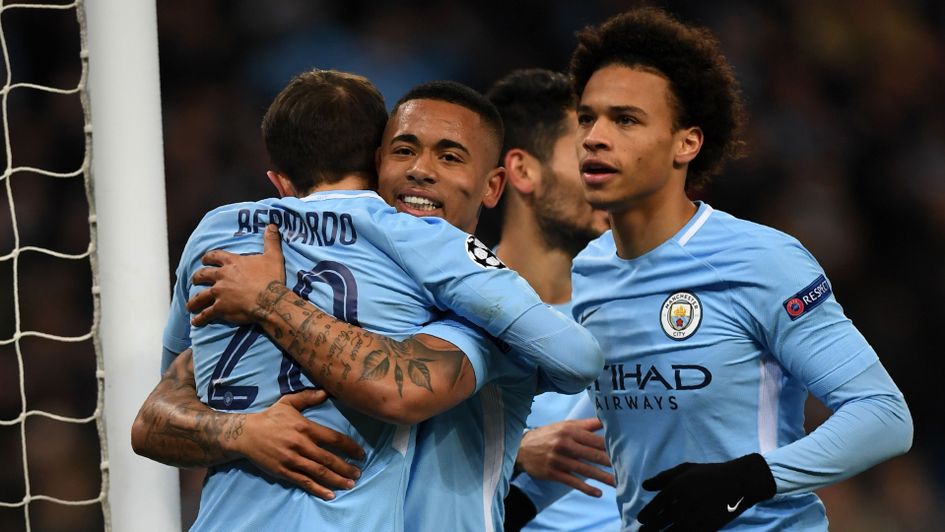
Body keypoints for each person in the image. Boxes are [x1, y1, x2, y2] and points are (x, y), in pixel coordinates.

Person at [135, 69, 603, 531]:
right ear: (374, 164)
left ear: (492, 185)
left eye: (450, 157)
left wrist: (270, 301)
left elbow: (396, 392)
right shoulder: (334, 276)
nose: (421, 169)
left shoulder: (486, 319)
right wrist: (243, 432)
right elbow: (155, 416)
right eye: (404, 150)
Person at [565, 7, 913, 531]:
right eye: (587, 117)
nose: (595, 136)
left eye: (626, 119)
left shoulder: (761, 259)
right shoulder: (590, 271)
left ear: (688, 142)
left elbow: (884, 415)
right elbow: (612, 423)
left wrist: (748, 479)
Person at [483, 69, 620, 532]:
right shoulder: (459, 311)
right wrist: (516, 452)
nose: (604, 174)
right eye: (585, 157)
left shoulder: (636, 308)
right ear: (522, 170)